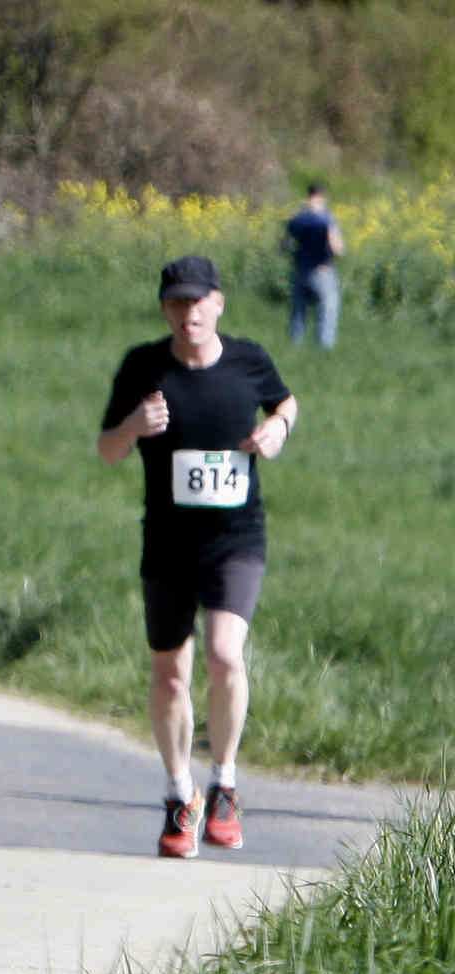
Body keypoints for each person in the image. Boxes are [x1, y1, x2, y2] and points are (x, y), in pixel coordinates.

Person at [97, 255, 298, 860]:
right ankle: (178, 794)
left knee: (224, 653)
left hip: (236, 538)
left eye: (198, 301)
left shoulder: (248, 361)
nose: (188, 313)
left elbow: (286, 403)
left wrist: (277, 431)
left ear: (218, 304)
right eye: (177, 303)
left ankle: (225, 783)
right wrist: (134, 425)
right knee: (170, 673)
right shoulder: (143, 366)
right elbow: (107, 450)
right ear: (165, 309)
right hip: (167, 543)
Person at [282, 181, 345, 349]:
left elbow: (284, 245)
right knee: (328, 309)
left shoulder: (297, 219)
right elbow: (337, 248)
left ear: (309, 195)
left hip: (300, 270)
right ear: (323, 196)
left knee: (298, 311)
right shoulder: (327, 219)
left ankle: (294, 346)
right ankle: (324, 348)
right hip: (322, 270)